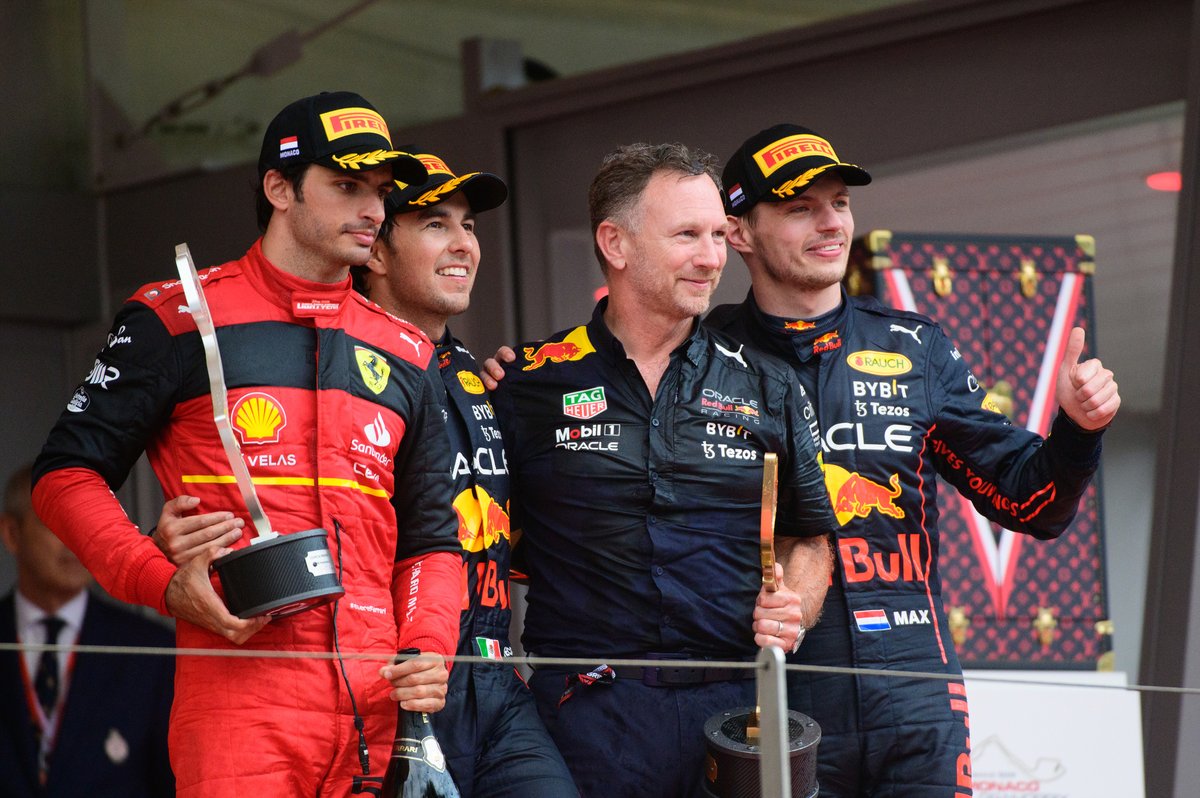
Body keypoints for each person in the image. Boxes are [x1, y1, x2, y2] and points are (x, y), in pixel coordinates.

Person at [30, 91, 464, 797]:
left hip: (379, 708)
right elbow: (64, 474)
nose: (374, 211)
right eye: (347, 185)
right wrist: (160, 578)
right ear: (278, 187)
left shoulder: (407, 350)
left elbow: (432, 540)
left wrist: (427, 646)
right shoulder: (176, 316)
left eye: (381, 192)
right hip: (241, 703)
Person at [707, 123, 1121, 797]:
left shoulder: (916, 348)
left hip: (916, 693)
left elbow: (1030, 502)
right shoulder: (701, 356)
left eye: (838, 202)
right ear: (740, 232)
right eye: (798, 207)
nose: (829, 222)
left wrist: (1077, 431)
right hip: (769, 689)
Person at [487, 142, 837, 798]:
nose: (712, 258)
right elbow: (473, 547)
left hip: (736, 712)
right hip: (581, 714)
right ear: (615, 243)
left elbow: (809, 537)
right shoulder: (524, 383)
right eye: (686, 236)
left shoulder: (770, 384)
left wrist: (795, 604)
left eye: (716, 235)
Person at [351, 148, 576, 797]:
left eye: (468, 225)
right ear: (375, 251)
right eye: (434, 225)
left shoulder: (475, 374)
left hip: (496, 679)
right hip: (390, 686)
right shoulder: (341, 372)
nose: (462, 245)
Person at [1, 464, 174, 797]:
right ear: (11, 533)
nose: (75, 542)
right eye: (54, 524)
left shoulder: (152, 651)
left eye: (85, 528)